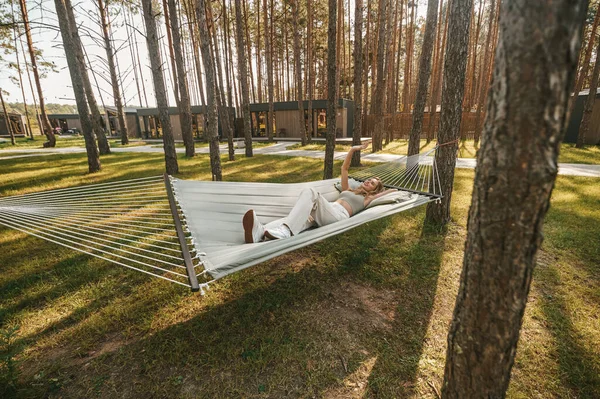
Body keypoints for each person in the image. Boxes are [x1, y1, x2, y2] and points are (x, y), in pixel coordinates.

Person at [242, 141, 398, 243]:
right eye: (369, 179)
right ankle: (261, 232)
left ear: (374, 190)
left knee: (310, 192)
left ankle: (285, 232)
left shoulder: (367, 199)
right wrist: (353, 149)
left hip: (338, 216)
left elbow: (387, 192)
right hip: (326, 210)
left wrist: (395, 189)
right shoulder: (348, 189)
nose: (368, 181)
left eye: (372, 183)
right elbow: (344, 168)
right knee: (296, 218)